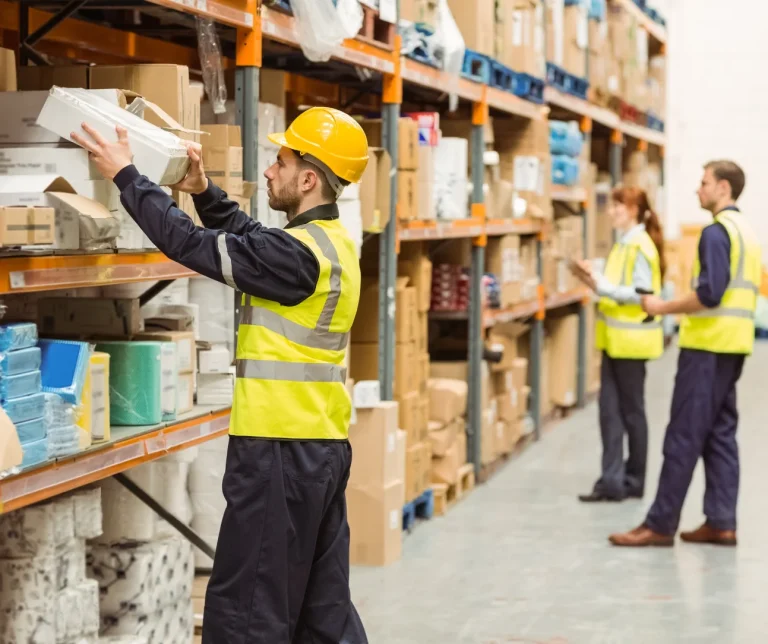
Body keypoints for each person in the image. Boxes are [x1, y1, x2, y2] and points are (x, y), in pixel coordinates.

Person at [72, 107, 371, 642]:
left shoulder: (297, 256)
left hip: (279, 450)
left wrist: (126, 175)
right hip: (319, 445)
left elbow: (188, 243)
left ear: (308, 179)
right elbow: (252, 238)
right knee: (322, 610)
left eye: (281, 162)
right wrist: (204, 191)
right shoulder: (330, 243)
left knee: (249, 610)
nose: (269, 171)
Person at [609, 160, 761, 547]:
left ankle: (659, 525)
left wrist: (662, 307)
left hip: (706, 349)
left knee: (683, 436)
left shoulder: (716, 232)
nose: (698, 189)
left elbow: (710, 294)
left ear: (723, 188)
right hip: (732, 347)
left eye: (704, 182)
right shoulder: (745, 230)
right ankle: (721, 522)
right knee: (720, 434)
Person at [572, 186, 665, 503]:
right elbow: (617, 280)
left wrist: (602, 286)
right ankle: (611, 482)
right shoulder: (624, 243)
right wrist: (593, 273)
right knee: (609, 412)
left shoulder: (640, 245)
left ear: (635, 210)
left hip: (632, 342)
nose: (611, 212)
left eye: (618, 206)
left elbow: (643, 293)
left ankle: (634, 481)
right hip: (614, 340)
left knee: (632, 413)